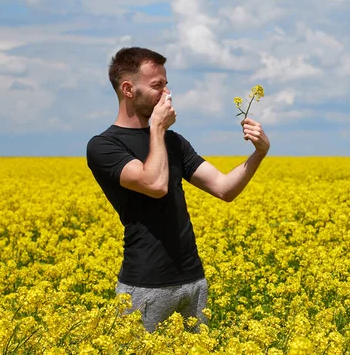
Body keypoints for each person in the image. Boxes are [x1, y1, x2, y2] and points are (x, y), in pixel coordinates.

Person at [86, 47, 270, 332]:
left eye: (166, 84)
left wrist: (259, 153)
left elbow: (224, 189)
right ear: (128, 89)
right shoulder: (104, 146)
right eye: (157, 86)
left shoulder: (174, 142)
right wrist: (157, 129)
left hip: (193, 281)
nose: (167, 94)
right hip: (144, 285)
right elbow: (155, 185)